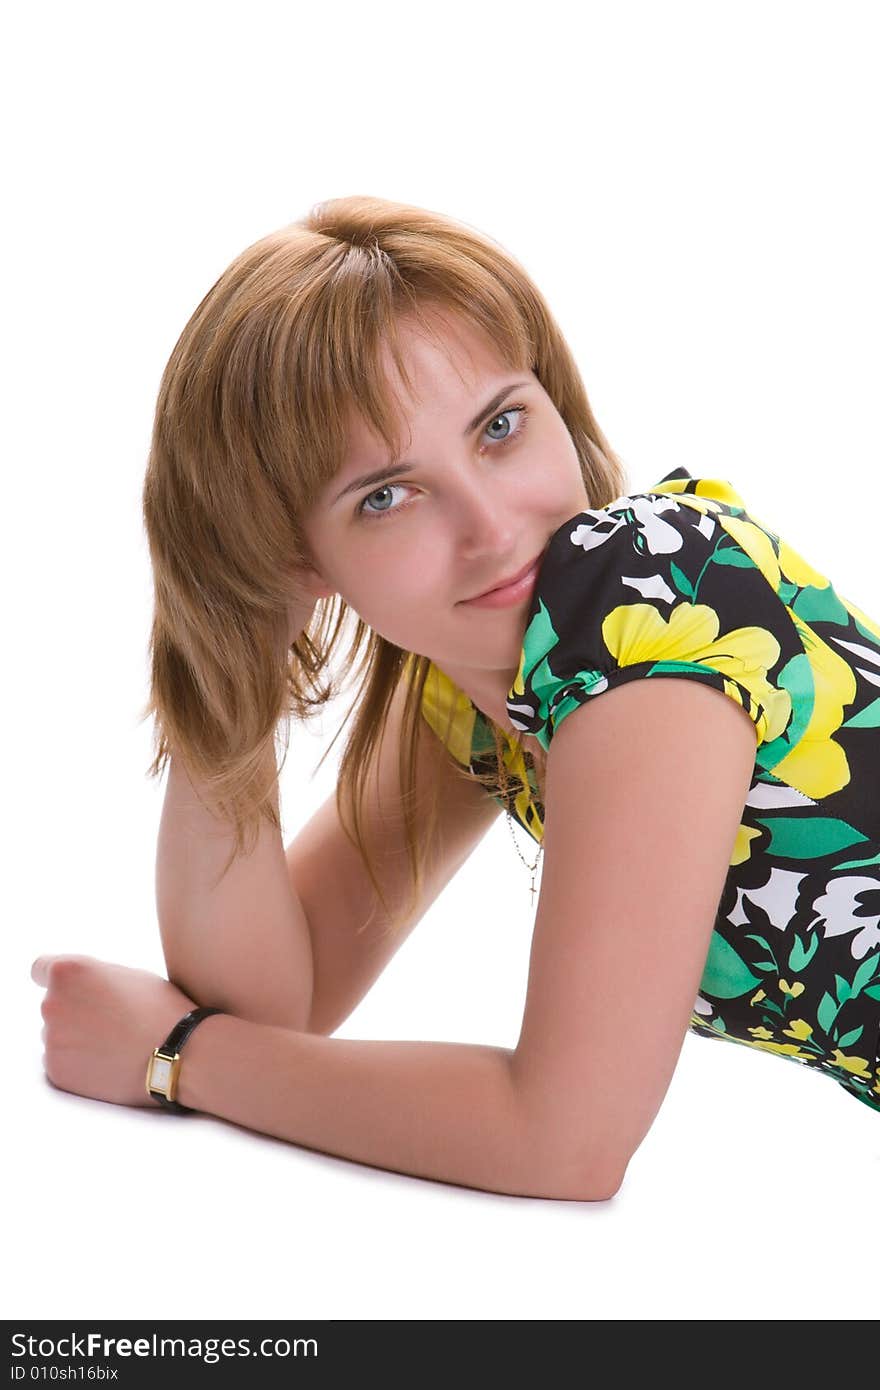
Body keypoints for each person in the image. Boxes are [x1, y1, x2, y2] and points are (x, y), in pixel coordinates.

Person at [31, 195, 880, 1204]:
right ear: (299, 556)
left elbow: (563, 1140)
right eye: (385, 495)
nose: (490, 526)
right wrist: (239, 643)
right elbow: (273, 1004)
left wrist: (172, 1057)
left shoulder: (654, 594)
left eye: (500, 426)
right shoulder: (488, 691)